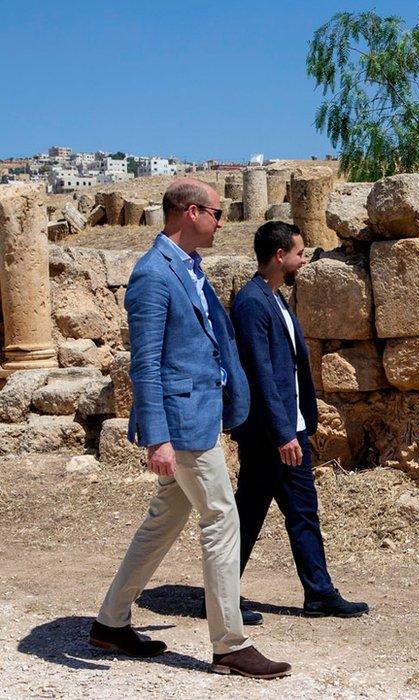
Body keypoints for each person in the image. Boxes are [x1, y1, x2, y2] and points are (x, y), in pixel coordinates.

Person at [89, 179, 291, 680]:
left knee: (163, 519)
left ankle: (111, 622)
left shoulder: (187, 268)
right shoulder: (153, 276)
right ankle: (229, 645)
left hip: (196, 416)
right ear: (190, 212)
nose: (223, 223)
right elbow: (146, 365)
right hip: (181, 427)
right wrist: (157, 436)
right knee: (222, 517)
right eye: (217, 214)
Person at [230, 221, 369, 619]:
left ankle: (319, 592)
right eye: (300, 253)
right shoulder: (252, 303)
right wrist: (282, 433)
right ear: (279, 256)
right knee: (250, 511)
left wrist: (299, 425)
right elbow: (260, 375)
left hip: (289, 429)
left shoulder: (275, 298)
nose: (303, 261)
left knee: (299, 511)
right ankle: (222, 594)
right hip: (270, 435)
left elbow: (288, 370)